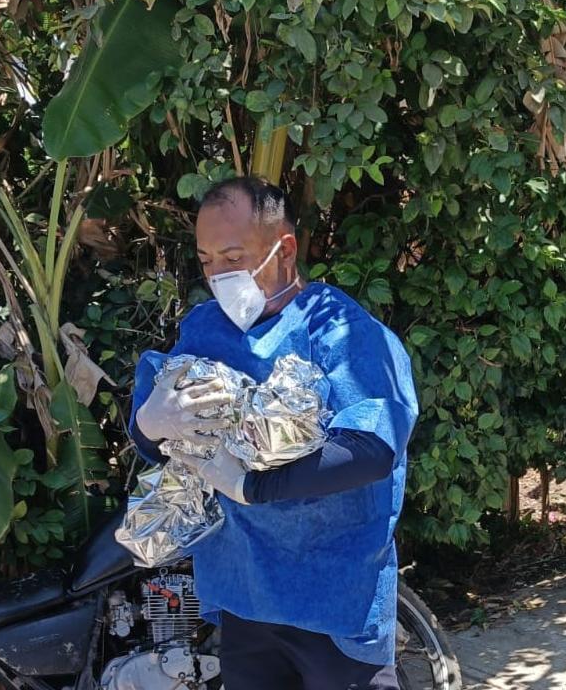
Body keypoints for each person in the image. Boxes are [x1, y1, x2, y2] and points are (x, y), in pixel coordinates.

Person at [128, 177, 417, 690]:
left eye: (233, 257)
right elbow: (164, 442)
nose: (218, 275)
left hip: (333, 601)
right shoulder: (205, 331)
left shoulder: (338, 330)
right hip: (245, 596)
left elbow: (372, 449)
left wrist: (252, 486)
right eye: (206, 260)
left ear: (284, 250)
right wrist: (149, 424)